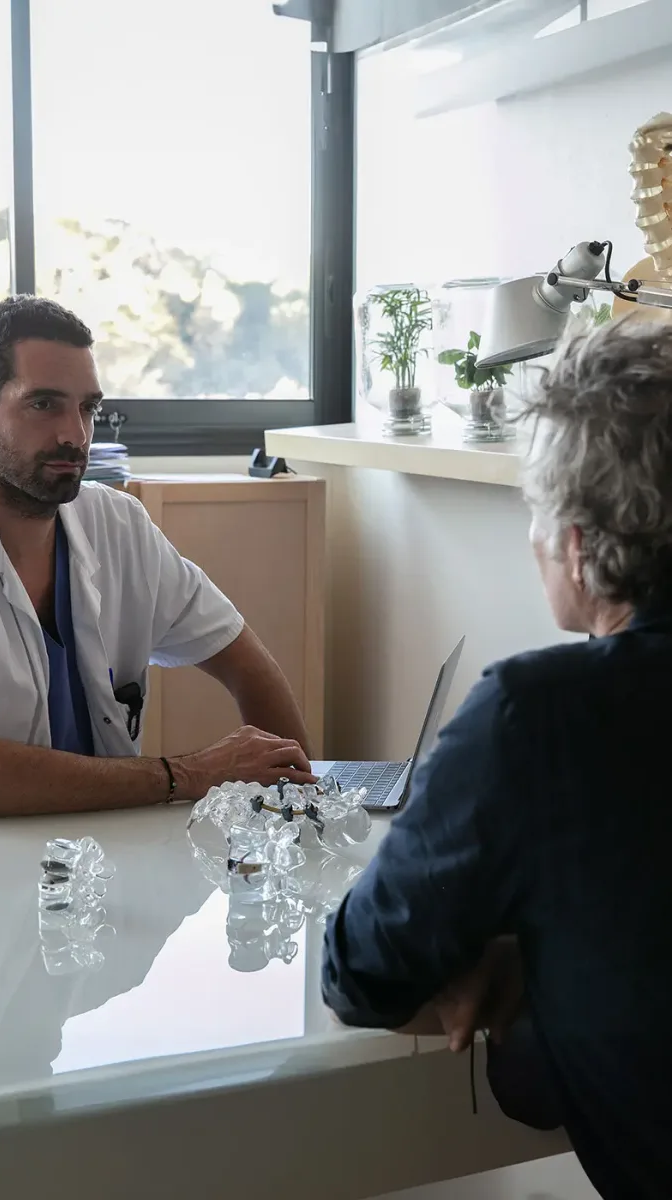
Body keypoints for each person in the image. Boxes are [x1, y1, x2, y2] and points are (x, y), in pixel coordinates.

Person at [322, 318, 672, 1200]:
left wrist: (516, 954)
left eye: (535, 511)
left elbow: (361, 972)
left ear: (580, 547)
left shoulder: (541, 714)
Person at [0, 296, 313, 816]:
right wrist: (189, 775)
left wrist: (301, 806)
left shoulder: (119, 526)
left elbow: (248, 666)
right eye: (44, 404)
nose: (75, 435)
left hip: (66, 852)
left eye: (88, 408)